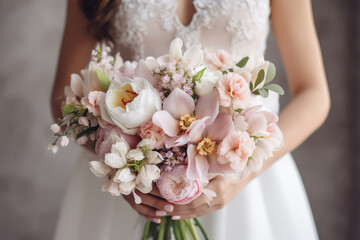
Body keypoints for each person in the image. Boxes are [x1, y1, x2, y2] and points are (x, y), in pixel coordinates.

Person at [51, 0, 330, 239]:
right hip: (133, 186)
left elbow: (314, 93)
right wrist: (127, 169)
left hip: (245, 183)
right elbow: (65, 98)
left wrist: (241, 175)